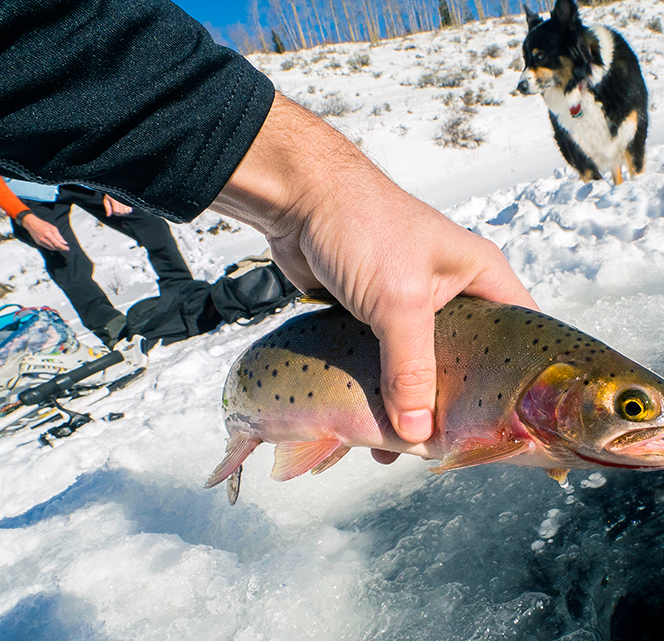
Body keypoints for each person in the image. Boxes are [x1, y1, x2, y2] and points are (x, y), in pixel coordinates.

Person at [0, 0, 536, 450]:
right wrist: (21, 214)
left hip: (75, 168)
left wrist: (316, 196)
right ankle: (111, 331)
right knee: (69, 261)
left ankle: (184, 293)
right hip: (24, 192)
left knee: (153, 231)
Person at [0, 178, 195, 347]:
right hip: (29, 193)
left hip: (78, 173)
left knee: (148, 223)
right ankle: (116, 333)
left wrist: (113, 184)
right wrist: (24, 217)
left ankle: (185, 293)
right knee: (67, 263)